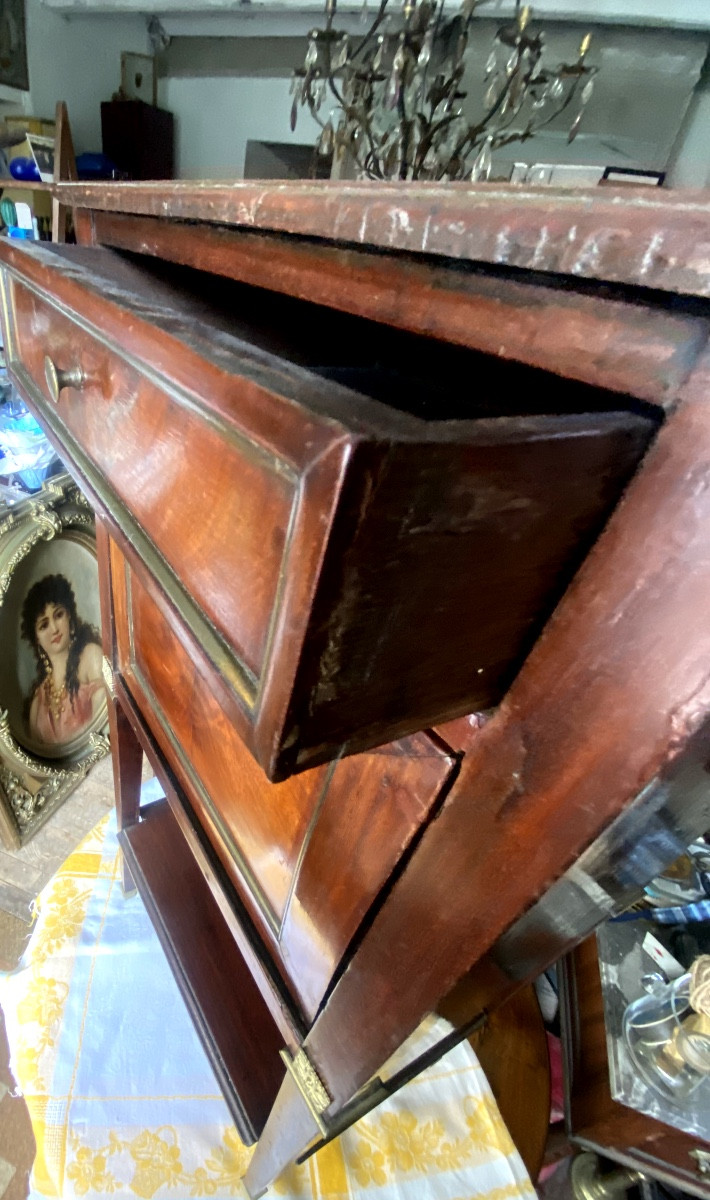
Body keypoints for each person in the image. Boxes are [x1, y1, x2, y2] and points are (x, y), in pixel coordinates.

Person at [21, 574, 105, 748]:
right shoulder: (38, 703)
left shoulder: (91, 658)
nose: (54, 629)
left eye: (58, 615)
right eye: (44, 625)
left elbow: (106, 727)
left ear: (69, 616)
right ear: (36, 639)